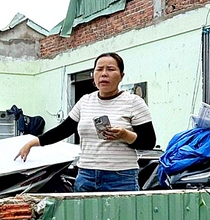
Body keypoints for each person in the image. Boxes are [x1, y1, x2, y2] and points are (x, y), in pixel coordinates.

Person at [15, 52, 156, 192]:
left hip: (121, 177)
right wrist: (32, 143)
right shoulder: (85, 101)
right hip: (86, 176)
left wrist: (125, 135)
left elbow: (149, 142)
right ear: (93, 75)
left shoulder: (134, 102)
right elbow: (63, 130)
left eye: (111, 69)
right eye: (99, 69)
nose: (104, 74)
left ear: (121, 76)